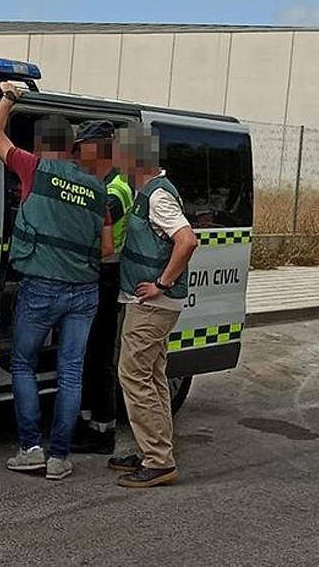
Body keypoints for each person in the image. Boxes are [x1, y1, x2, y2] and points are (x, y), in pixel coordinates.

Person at [0, 81, 114, 481]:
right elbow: (107, 249)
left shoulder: (34, 168)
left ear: (41, 145)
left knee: (22, 363)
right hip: (84, 292)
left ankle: (30, 449)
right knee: (71, 371)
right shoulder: (97, 189)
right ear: (73, 147)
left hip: (40, 287)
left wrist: (9, 96)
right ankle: (59, 457)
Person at [107, 125, 197, 488]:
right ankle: (154, 450)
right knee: (154, 376)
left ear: (134, 158)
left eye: (117, 154)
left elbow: (187, 241)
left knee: (133, 375)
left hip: (152, 305)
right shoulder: (148, 191)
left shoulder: (158, 196)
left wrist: (162, 283)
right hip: (153, 304)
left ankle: (158, 460)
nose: (113, 161)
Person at [71, 121, 134, 455]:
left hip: (106, 276)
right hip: (96, 274)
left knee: (98, 355)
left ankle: (102, 431)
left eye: (84, 147)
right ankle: (85, 423)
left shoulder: (116, 189)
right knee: (86, 353)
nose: (80, 153)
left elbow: (98, 232)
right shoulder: (102, 182)